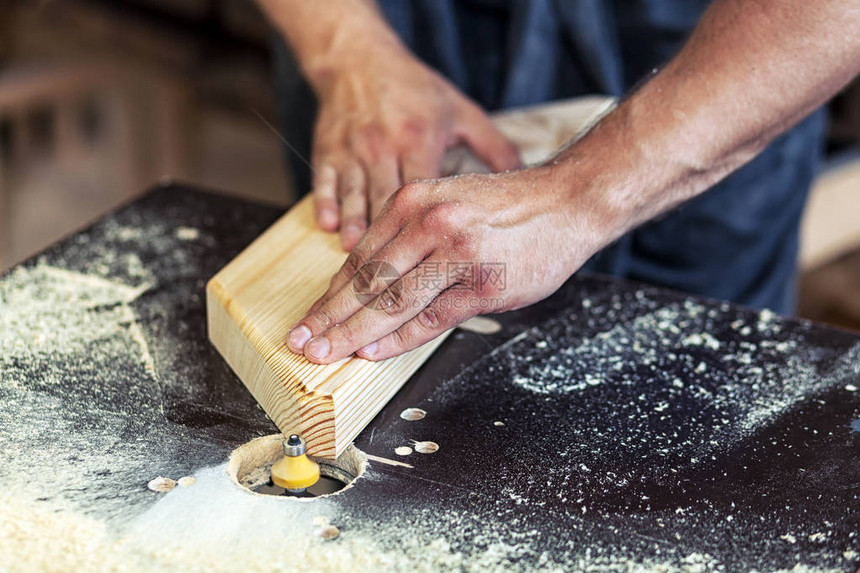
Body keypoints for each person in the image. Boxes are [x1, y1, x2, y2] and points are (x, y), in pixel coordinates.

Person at [255, 0, 860, 364]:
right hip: (385, 28)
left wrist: (580, 194)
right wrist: (345, 48)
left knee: (687, 442)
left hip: (730, 50)